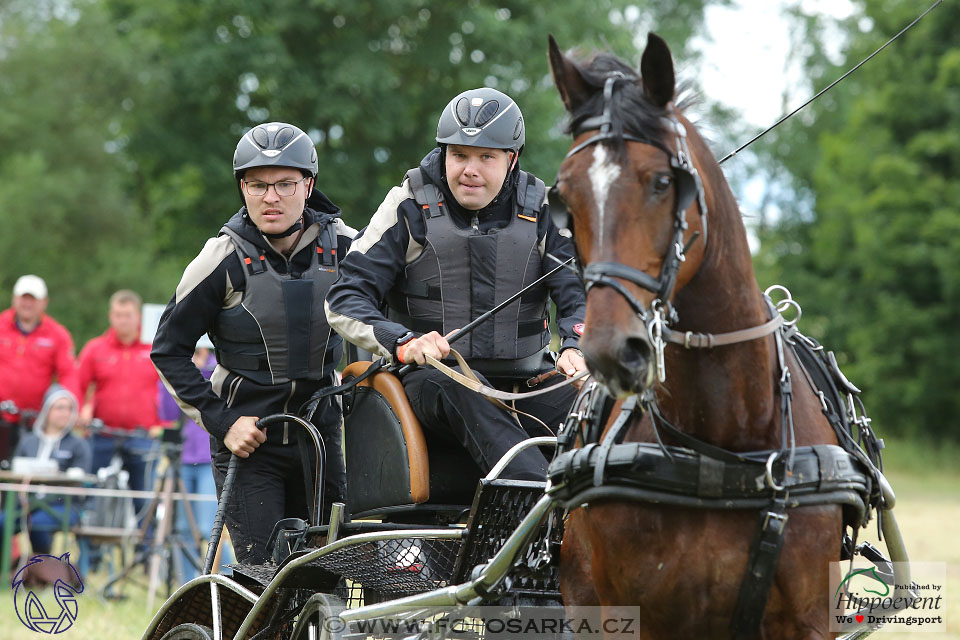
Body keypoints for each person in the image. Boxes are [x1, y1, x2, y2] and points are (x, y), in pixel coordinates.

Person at [326, 87, 587, 481]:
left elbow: (579, 295)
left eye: (486, 157)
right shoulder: (407, 204)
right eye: (459, 154)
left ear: (511, 160)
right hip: (431, 382)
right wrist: (403, 341)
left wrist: (575, 345)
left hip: (528, 378)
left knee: (597, 407)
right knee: (467, 387)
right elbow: (344, 296)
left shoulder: (544, 208)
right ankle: (537, 503)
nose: (470, 169)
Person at [151, 121, 355, 565]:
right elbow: (167, 350)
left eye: (285, 183)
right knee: (262, 581)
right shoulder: (218, 259)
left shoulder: (347, 248)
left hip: (322, 442)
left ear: (308, 185)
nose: (271, 197)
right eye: (257, 185)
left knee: (328, 573)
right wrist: (222, 422)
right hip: (249, 447)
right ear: (242, 188)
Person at [156, 338, 234, 580]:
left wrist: (199, 368)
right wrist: (172, 373)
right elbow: (168, 413)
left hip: (207, 459)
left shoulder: (217, 369)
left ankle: (228, 578)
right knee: (182, 530)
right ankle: (187, 582)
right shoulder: (183, 367)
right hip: (183, 459)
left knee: (209, 527)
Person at [77, 289, 160, 513]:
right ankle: (91, 548)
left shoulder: (156, 348)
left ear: (138, 316)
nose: (123, 320)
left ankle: (146, 547)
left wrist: (162, 423)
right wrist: (80, 410)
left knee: (144, 500)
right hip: (101, 434)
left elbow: (172, 388)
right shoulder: (95, 348)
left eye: (128, 314)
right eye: (118, 314)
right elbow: (77, 384)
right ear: (110, 316)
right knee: (93, 496)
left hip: (142, 436)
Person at [2, 384, 91, 555]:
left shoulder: (79, 444)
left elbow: (82, 477)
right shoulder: (28, 441)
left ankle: (42, 565)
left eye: (69, 408)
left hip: (63, 507)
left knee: (36, 523)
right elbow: (15, 470)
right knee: (3, 522)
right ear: (47, 410)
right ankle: (6, 568)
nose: (65, 413)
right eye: (59, 408)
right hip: (28, 505)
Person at [0, 275, 79, 462]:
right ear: (14, 299)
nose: (27, 304)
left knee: (28, 474)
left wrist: (65, 407)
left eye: (33, 299)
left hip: (36, 421)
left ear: (44, 302)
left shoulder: (57, 335)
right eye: (23, 298)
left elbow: (68, 373)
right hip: (1, 415)